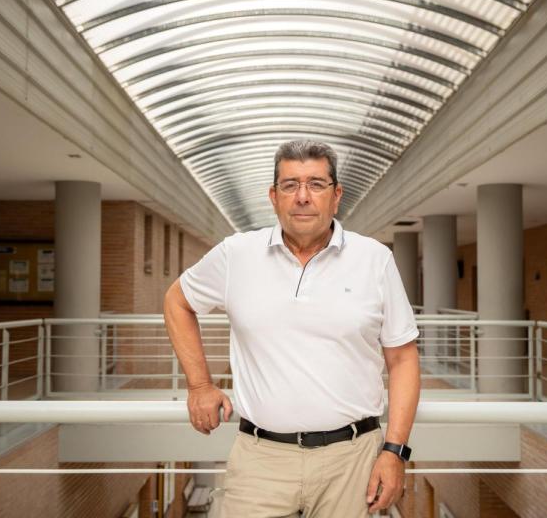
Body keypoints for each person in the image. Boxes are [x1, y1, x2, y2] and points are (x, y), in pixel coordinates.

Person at [164, 139, 420, 517]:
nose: (303, 196)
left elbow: (402, 359)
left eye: (316, 184)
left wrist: (395, 452)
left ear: (336, 196)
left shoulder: (375, 259)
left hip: (352, 460)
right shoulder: (237, 254)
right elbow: (177, 301)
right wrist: (200, 385)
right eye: (290, 185)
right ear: (273, 195)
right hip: (259, 460)